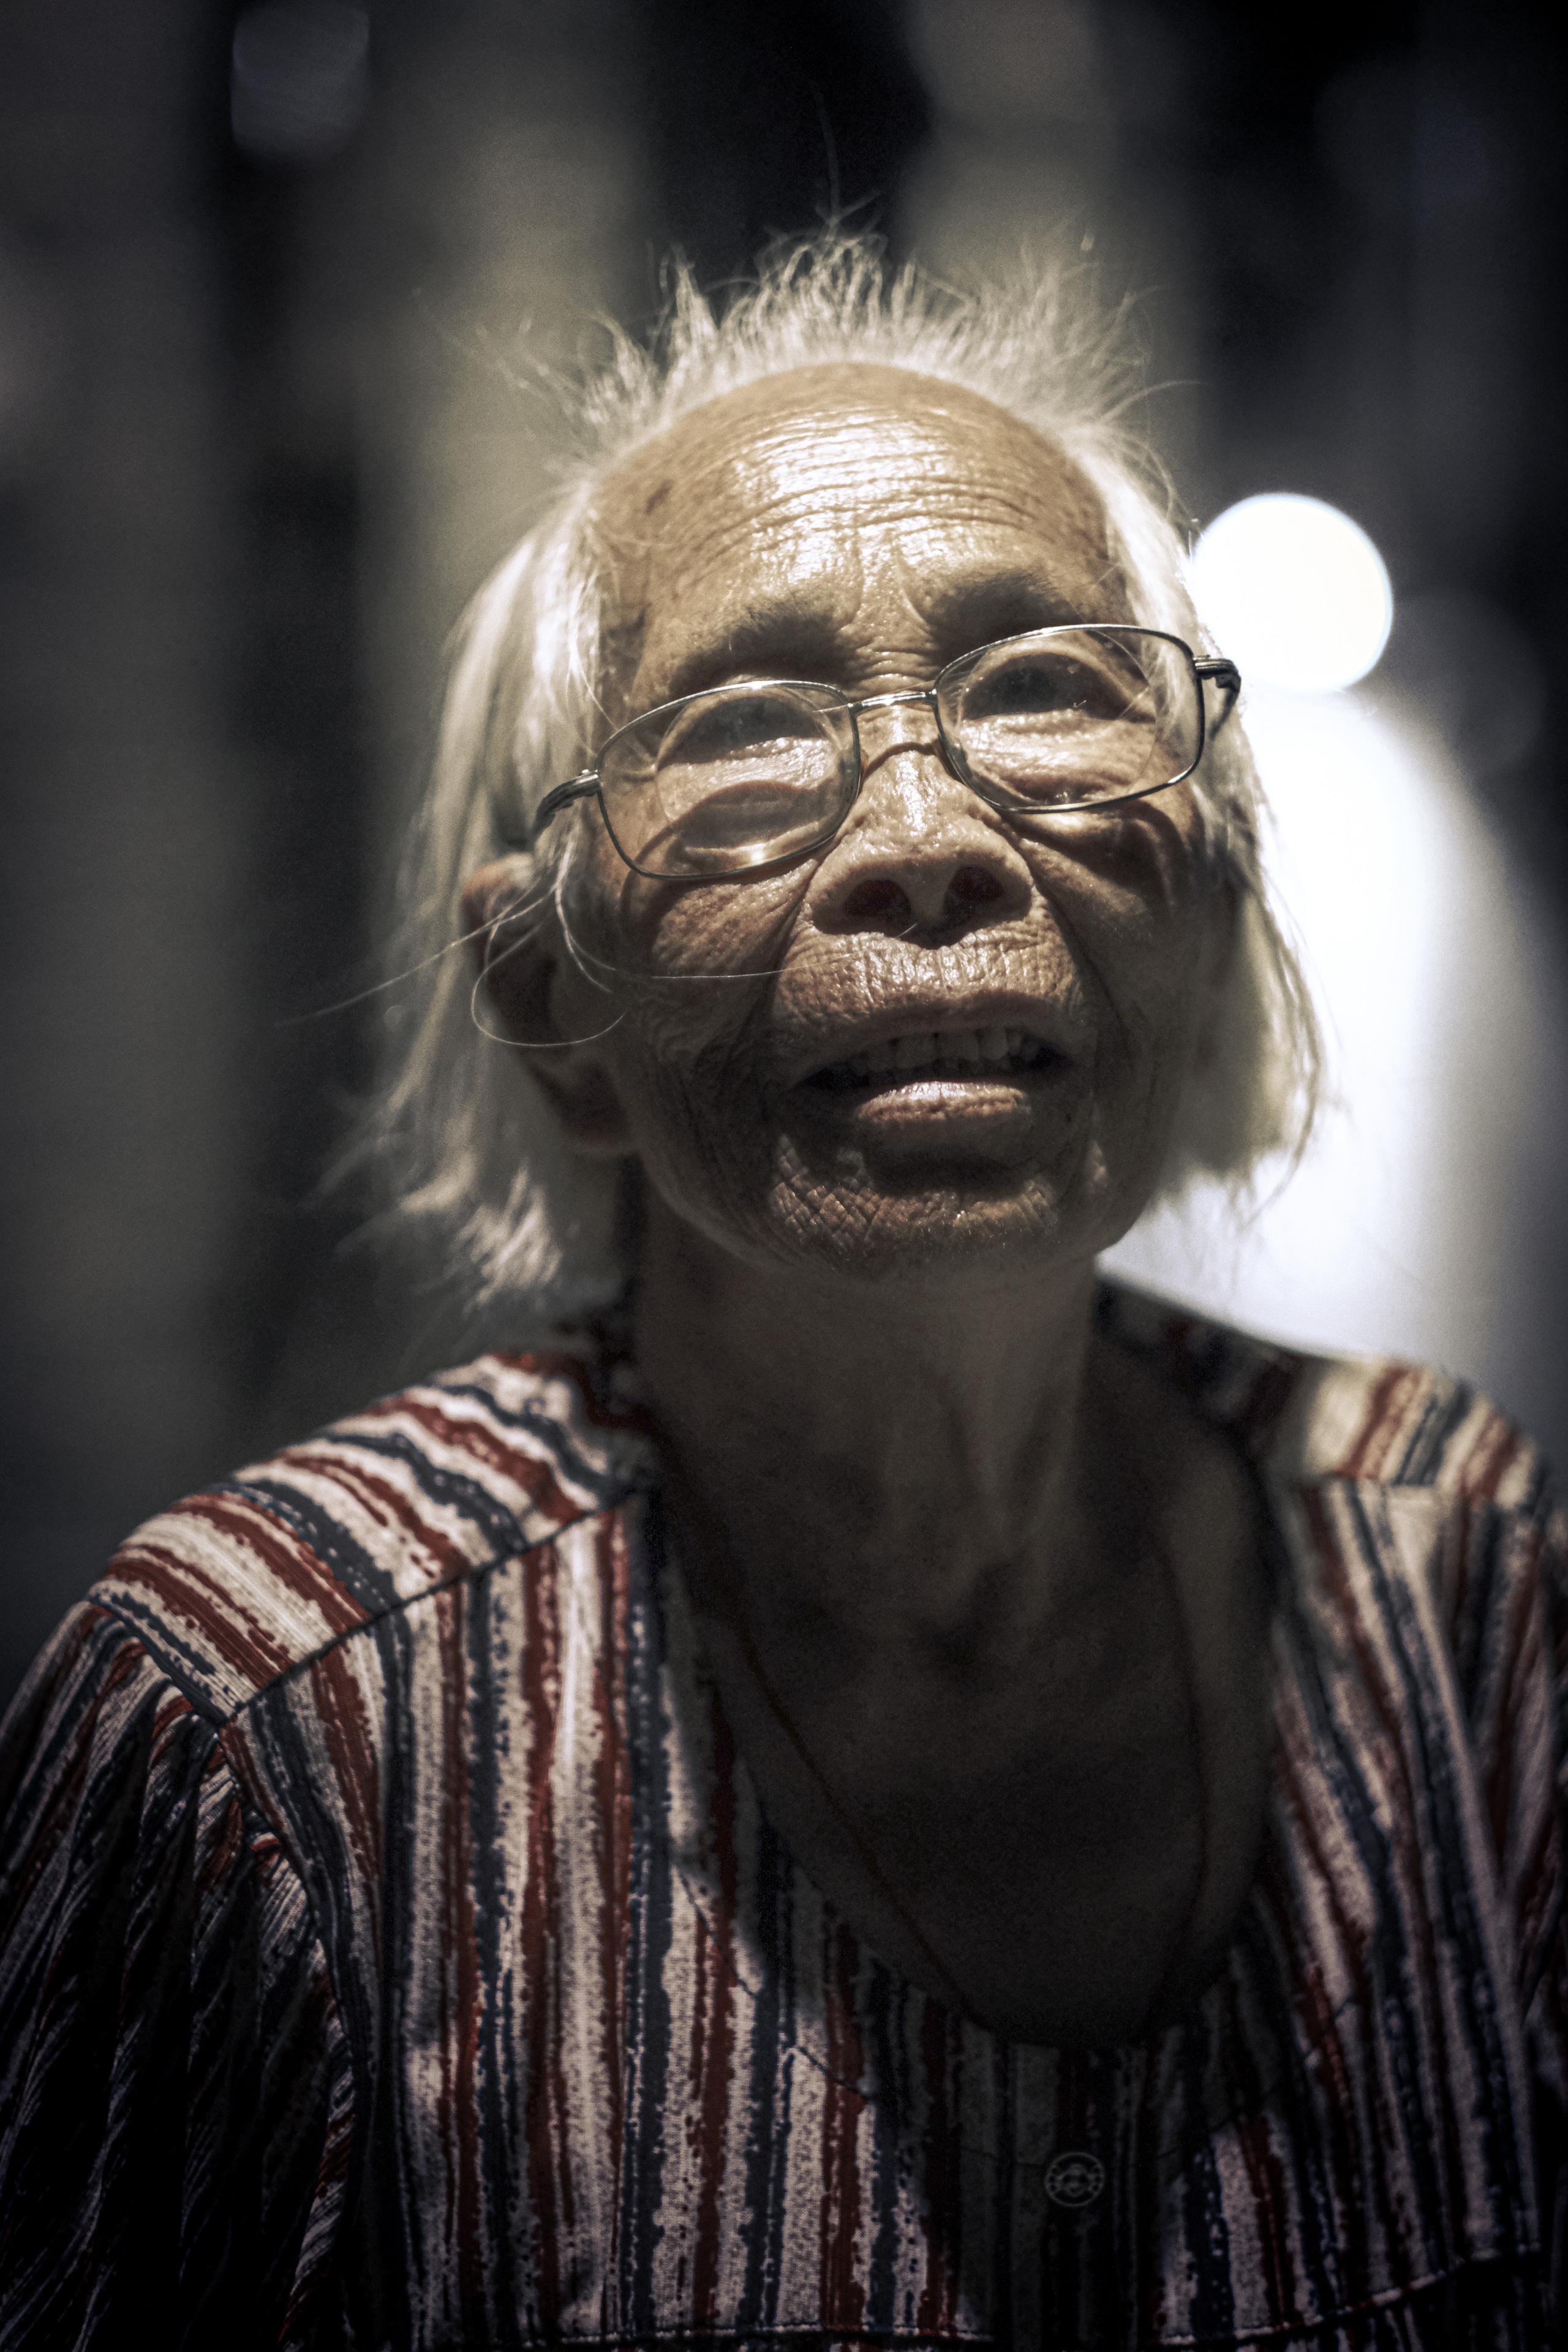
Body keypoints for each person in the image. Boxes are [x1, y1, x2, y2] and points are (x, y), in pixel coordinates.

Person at [1, 236, 1564, 2351]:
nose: (930, 836)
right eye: (745, 730)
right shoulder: (264, 1731)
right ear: (553, 999)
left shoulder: (1452, 1567)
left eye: (1045, 685)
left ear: (1206, 888)